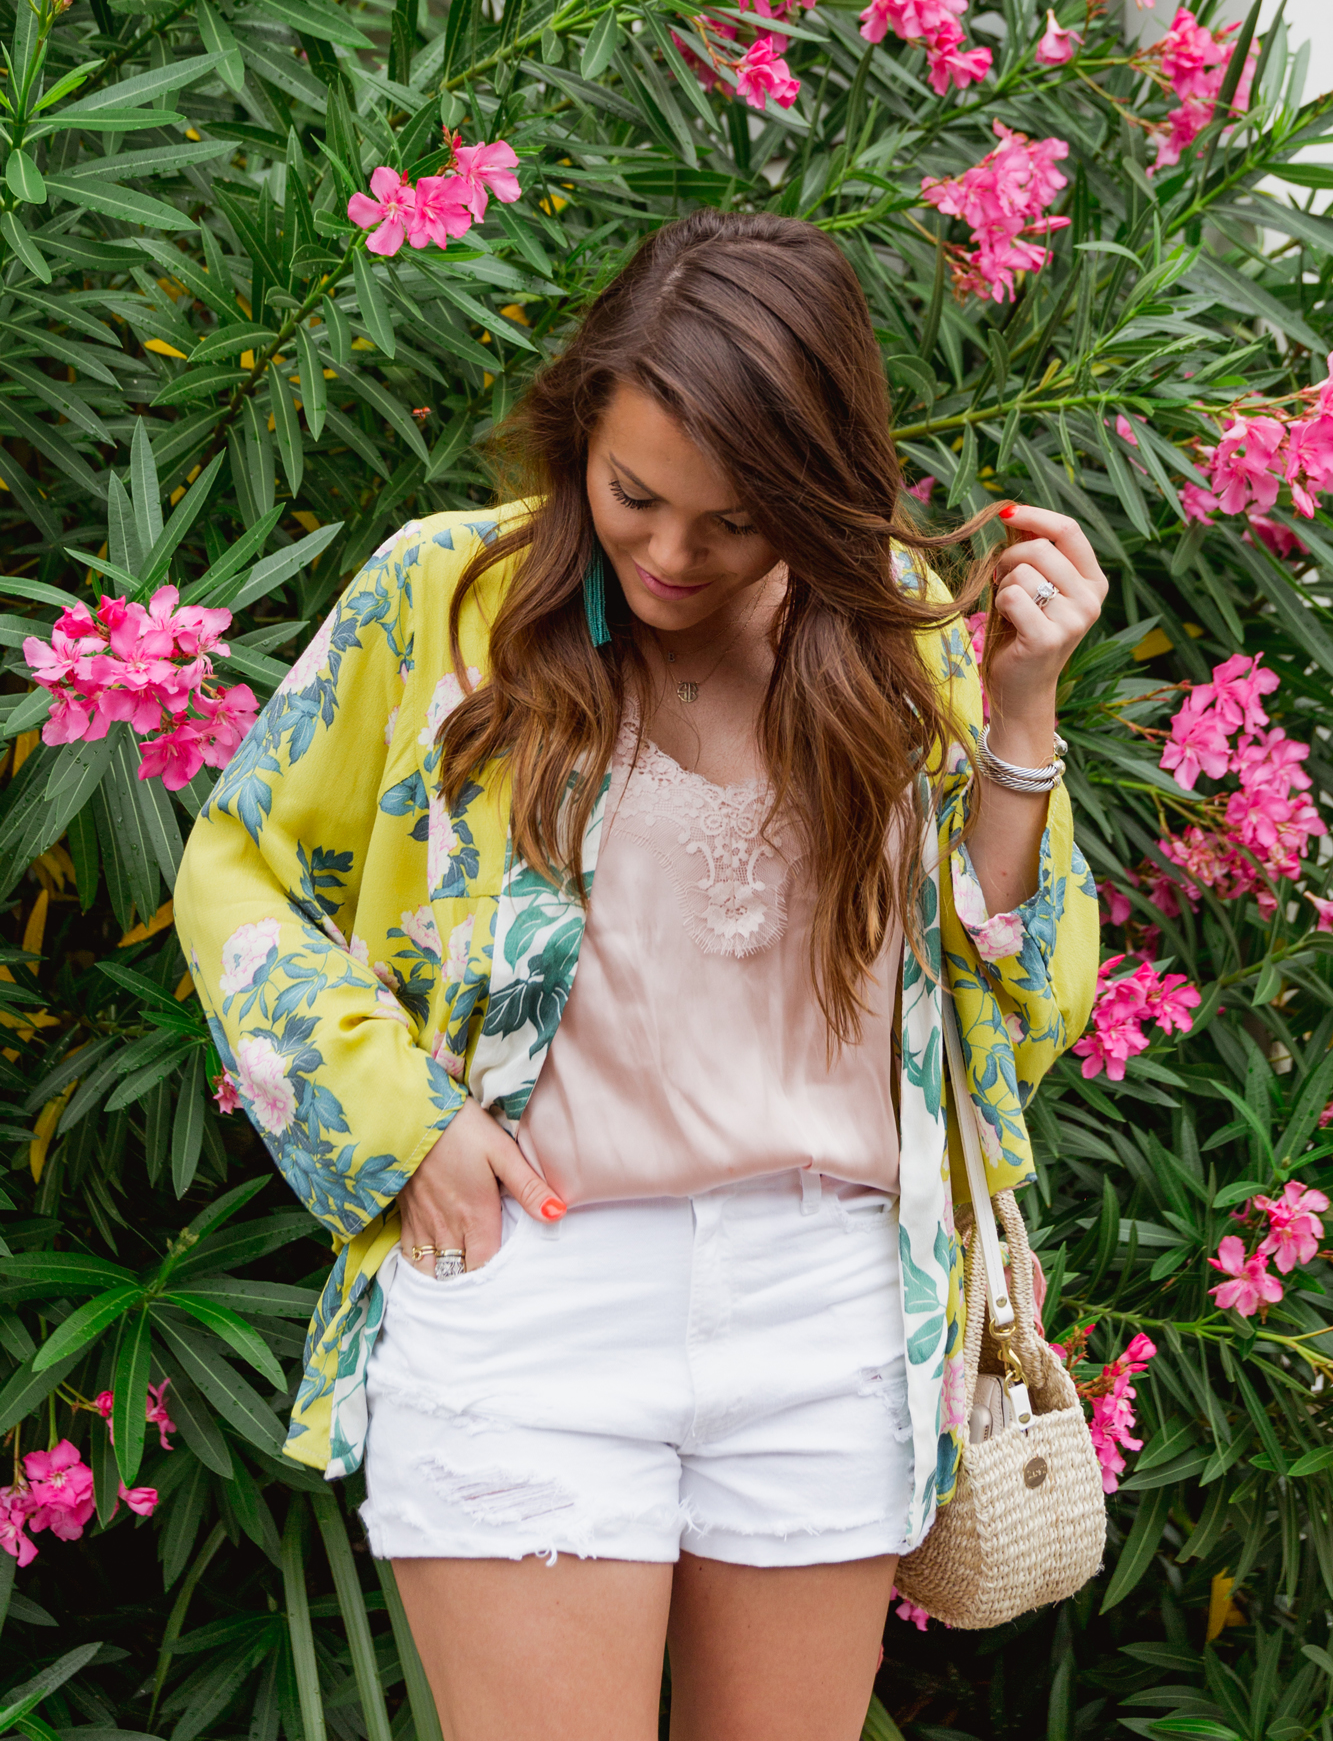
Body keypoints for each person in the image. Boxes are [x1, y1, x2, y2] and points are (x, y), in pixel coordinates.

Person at [175, 210, 1103, 1741]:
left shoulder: (894, 637)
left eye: (731, 522)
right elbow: (242, 869)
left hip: (825, 1302)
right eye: (632, 496)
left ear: (813, 489)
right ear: (578, 437)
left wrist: (1017, 719)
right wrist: (400, 1127)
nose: (669, 554)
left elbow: (1011, 1002)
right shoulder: (446, 599)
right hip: (540, 1283)